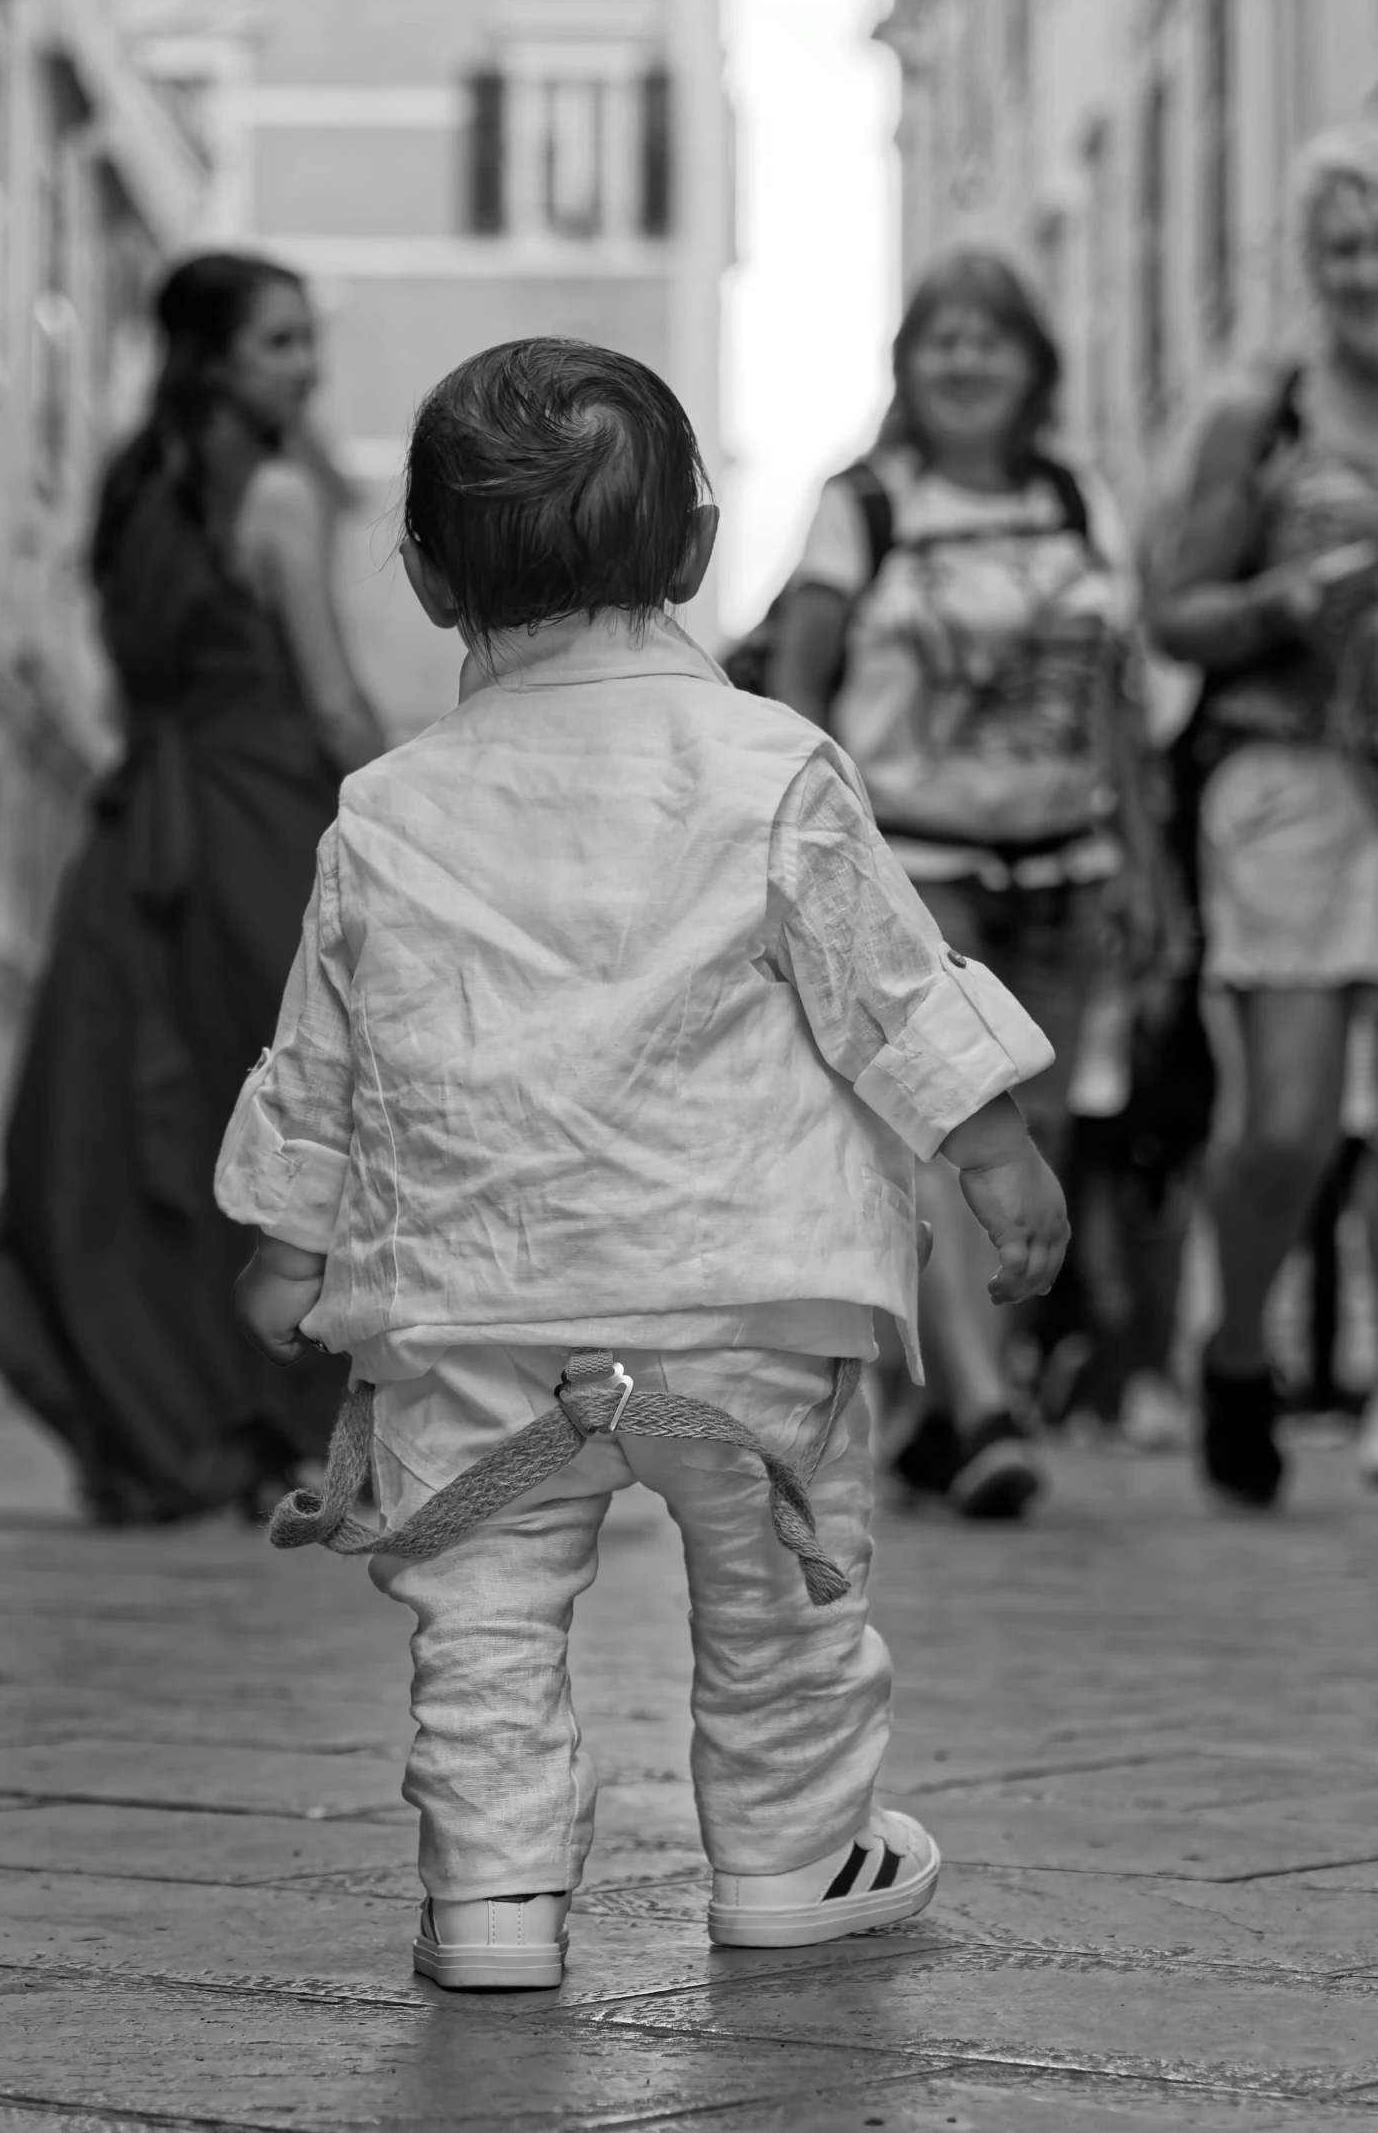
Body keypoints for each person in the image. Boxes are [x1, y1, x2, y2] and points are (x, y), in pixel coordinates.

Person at [215, 338, 1068, 1991]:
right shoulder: (772, 767)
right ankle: (790, 1859)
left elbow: (323, 1054)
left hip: (477, 1314)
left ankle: (493, 1899)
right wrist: (991, 1146)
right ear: (692, 549)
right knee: (781, 1606)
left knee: (482, 1620)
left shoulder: (382, 810)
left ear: (419, 576)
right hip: (747, 1298)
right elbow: (882, 986)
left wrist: (289, 1241)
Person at [0, 252, 386, 1525]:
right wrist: (422, 815)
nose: (305, 367)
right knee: (298, 1124)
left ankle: (179, 1423)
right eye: (279, 345)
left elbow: (124, 683)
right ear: (211, 357)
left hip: (143, 830)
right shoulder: (274, 497)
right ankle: (277, 1424)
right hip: (257, 824)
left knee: (149, 1129)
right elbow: (328, 696)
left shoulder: (129, 494)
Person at [758, 249, 1156, 1520]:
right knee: (941, 1124)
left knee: (1030, 1140)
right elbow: (800, 684)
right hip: (911, 868)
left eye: (992, 336)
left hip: (1062, 862)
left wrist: (1145, 859)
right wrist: (812, 858)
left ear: (1036, 362)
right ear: (906, 365)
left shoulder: (1077, 495)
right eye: (942, 337)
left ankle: (940, 1404)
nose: (967, 357)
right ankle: (987, 1409)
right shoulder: (862, 502)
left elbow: (1118, 697)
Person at [1146, 124, 1378, 1508]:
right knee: (1286, 1123)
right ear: (1312, 260)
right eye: (1347, 244)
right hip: (1285, 776)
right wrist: (1287, 604)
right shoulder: (1263, 415)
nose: (1371, 271)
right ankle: (1235, 1345)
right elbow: (1173, 613)